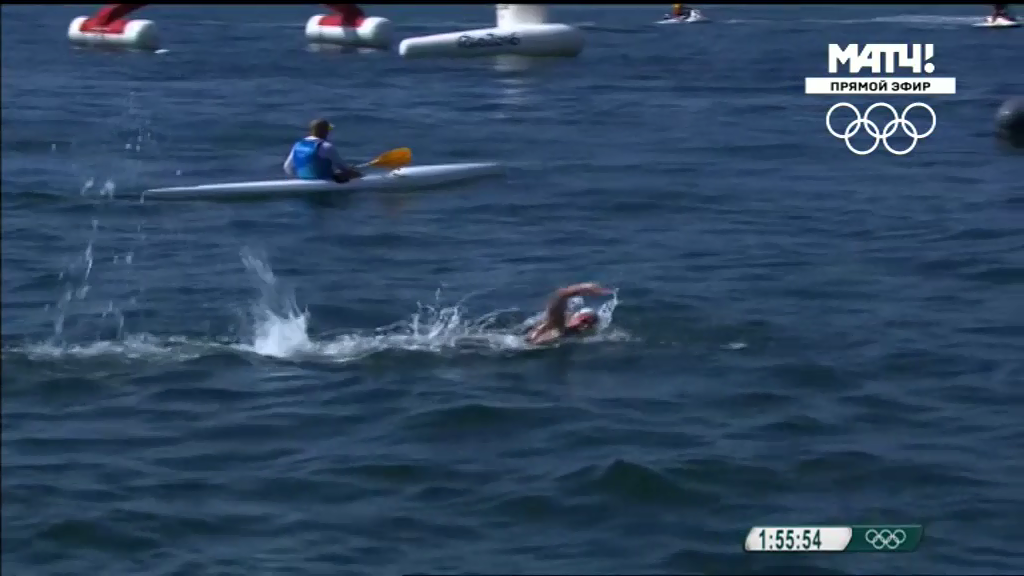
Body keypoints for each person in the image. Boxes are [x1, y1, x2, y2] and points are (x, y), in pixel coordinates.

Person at [526, 282, 613, 345]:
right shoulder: (558, 325)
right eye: (584, 321)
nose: (586, 326)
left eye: (591, 324)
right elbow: (559, 295)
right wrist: (584, 287)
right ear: (574, 318)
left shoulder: (570, 333)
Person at [283, 119, 363, 184]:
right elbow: (343, 168)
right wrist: (352, 171)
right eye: (329, 130)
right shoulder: (327, 146)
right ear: (325, 132)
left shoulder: (298, 144)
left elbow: (287, 167)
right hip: (324, 180)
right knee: (356, 174)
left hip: (302, 179)